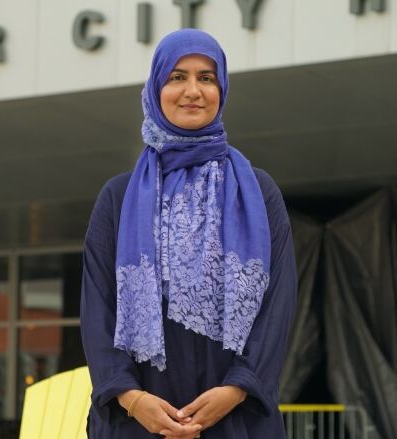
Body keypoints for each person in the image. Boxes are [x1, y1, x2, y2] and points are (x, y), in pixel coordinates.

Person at [80, 29, 297, 438]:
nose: (193, 91)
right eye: (177, 77)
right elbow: (97, 307)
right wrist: (131, 398)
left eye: (207, 78)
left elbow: (279, 302)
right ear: (156, 87)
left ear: (222, 89)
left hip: (237, 417)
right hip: (136, 420)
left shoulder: (258, 191)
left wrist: (236, 388)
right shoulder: (118, 197)